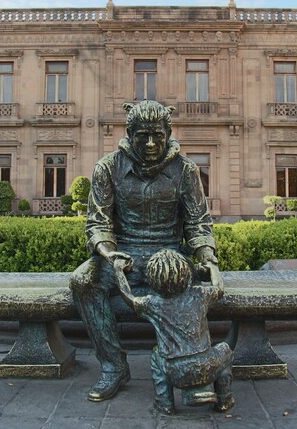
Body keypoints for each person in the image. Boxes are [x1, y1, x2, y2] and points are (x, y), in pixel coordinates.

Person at [69, 100, 221, 403]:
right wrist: (109, 254)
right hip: (122, 254)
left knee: (185, 291)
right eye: (142, 136)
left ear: (167, 133)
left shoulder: (185, 170)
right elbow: (98, 221)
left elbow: (199, 222)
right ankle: (113, 366)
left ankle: (193, 369)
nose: (150, 143)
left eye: (157, 135)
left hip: (169, 256)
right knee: (82, 281)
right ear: (129, 133)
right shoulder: (108, 167)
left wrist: (206, 256)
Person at [113, 249, 234, 414]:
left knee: (156, 357)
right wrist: (212, 267)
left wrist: (118, 270)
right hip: (207, 365)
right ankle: (224, 399)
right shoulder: (200, 294)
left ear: (153, 281)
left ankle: (165, 404)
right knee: (225, 350)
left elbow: (128, 297)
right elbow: (219, 288)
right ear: (187, 274)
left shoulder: (152, 303)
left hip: (175, 372)